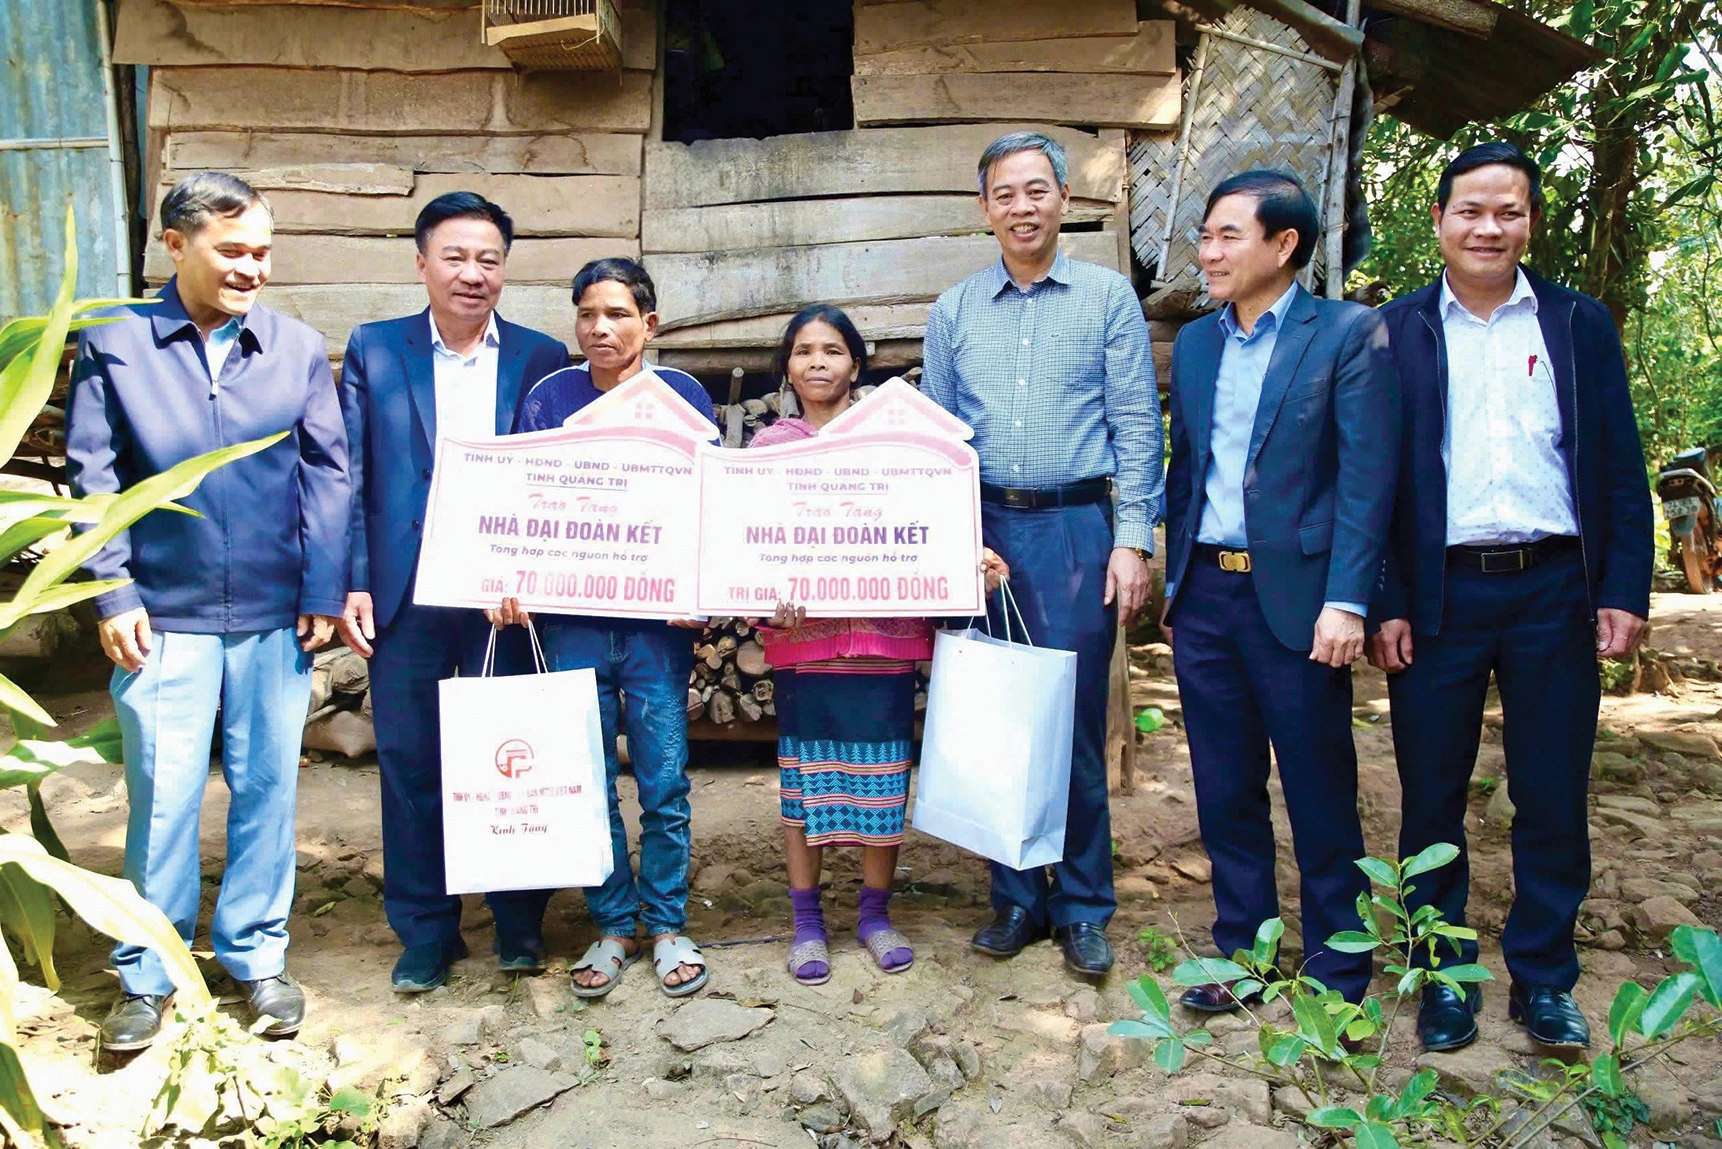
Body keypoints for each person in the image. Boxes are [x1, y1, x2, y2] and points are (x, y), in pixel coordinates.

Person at [1368, 143, 1652, 1052]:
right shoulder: (1397, 331)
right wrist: (1386, 599)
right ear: (1440, 220)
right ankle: (1443, 976)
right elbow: (1373, 480)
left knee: (1553, 792)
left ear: (1530, 219)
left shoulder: (1577, 325)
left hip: (1555, 591)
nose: (1489, 228)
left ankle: (1544, 978)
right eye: (1470, 212)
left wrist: (1622, 586)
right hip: (1439, 593)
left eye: (1509, 212)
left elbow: (1617, 463)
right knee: (1431, 795)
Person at [66, 172, 350, 1050]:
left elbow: (328, 473)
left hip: (273, 614)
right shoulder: (115, 343)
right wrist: (112, 590)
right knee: (162, 795)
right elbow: (92, 478)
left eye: (263, 252)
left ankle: (258, 960)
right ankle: (147, 970)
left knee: (268, 786)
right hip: (162, 617)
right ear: (175, 245)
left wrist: (321, 590)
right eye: (233, 251)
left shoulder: (295, 347)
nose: (252, 269)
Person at [921, 131, 1160, 977]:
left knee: (1072, 726)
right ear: (983, 208)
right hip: (985, 530)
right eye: (1003, 194)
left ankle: (1085, 902)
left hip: (1072, 530)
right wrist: (958, 537)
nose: (1021, 207)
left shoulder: (1105, 299)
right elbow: (940, 440)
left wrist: (1132, 539)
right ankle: (1017, 896)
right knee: (996, 718)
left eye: (1036, 190)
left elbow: (1136, 426)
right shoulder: (953, 311)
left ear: (1064, 198)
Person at [1162, 170, 1398, 1013]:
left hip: (1300, 601)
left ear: (1283, 245)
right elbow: (1187, 467)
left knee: (1318, 787)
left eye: (1228, 235)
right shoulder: (1195, 344)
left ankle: (1339, 968)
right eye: (1207, 235)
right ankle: (1244, 957)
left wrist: (1349, 599)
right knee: (1225, 789)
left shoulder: (1345, 333)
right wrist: (1174, 581)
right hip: (1208, 602)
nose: (1209, 251)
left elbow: (1369, 479)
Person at [337, 192, 570, 993]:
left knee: (511, 755)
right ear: (422, 263)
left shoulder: (539, 357)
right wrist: (357, 580)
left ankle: (516, 921)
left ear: (504, 268)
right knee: (409, 760)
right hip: (405, 592)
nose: (473, 274)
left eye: (489, 260)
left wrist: (531, 575)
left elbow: (552, 481)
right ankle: (427, 929)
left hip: (501, 597)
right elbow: (350, 477)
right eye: (456, 257)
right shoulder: (374, 348)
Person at [749, 305, 1010, 984]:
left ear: (856, 365)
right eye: (803, 350)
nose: (817, 362)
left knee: (883, 783)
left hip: (883, 641)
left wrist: (966, 560)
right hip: (805, 644)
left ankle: (873, 913)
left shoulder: (901, 446)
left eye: (832, 350)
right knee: (803, 784)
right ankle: (807, 920)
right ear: (787, 366)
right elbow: (749, 542)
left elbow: (932, 521)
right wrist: (762, 594)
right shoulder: (770, 449)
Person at [489, 258, 714, 999]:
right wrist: (510, 578)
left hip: (656, 629)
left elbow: (707, 506)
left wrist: (701, 588)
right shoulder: (551, 397)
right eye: (587, 313)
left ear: (649, 324)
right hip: (573, 623)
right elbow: (522, 499)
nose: (600, 328)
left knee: (663, 780)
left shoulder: (680, 396)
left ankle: (669, 921)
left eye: (617, 313)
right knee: (586, 781)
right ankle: (614, 924)